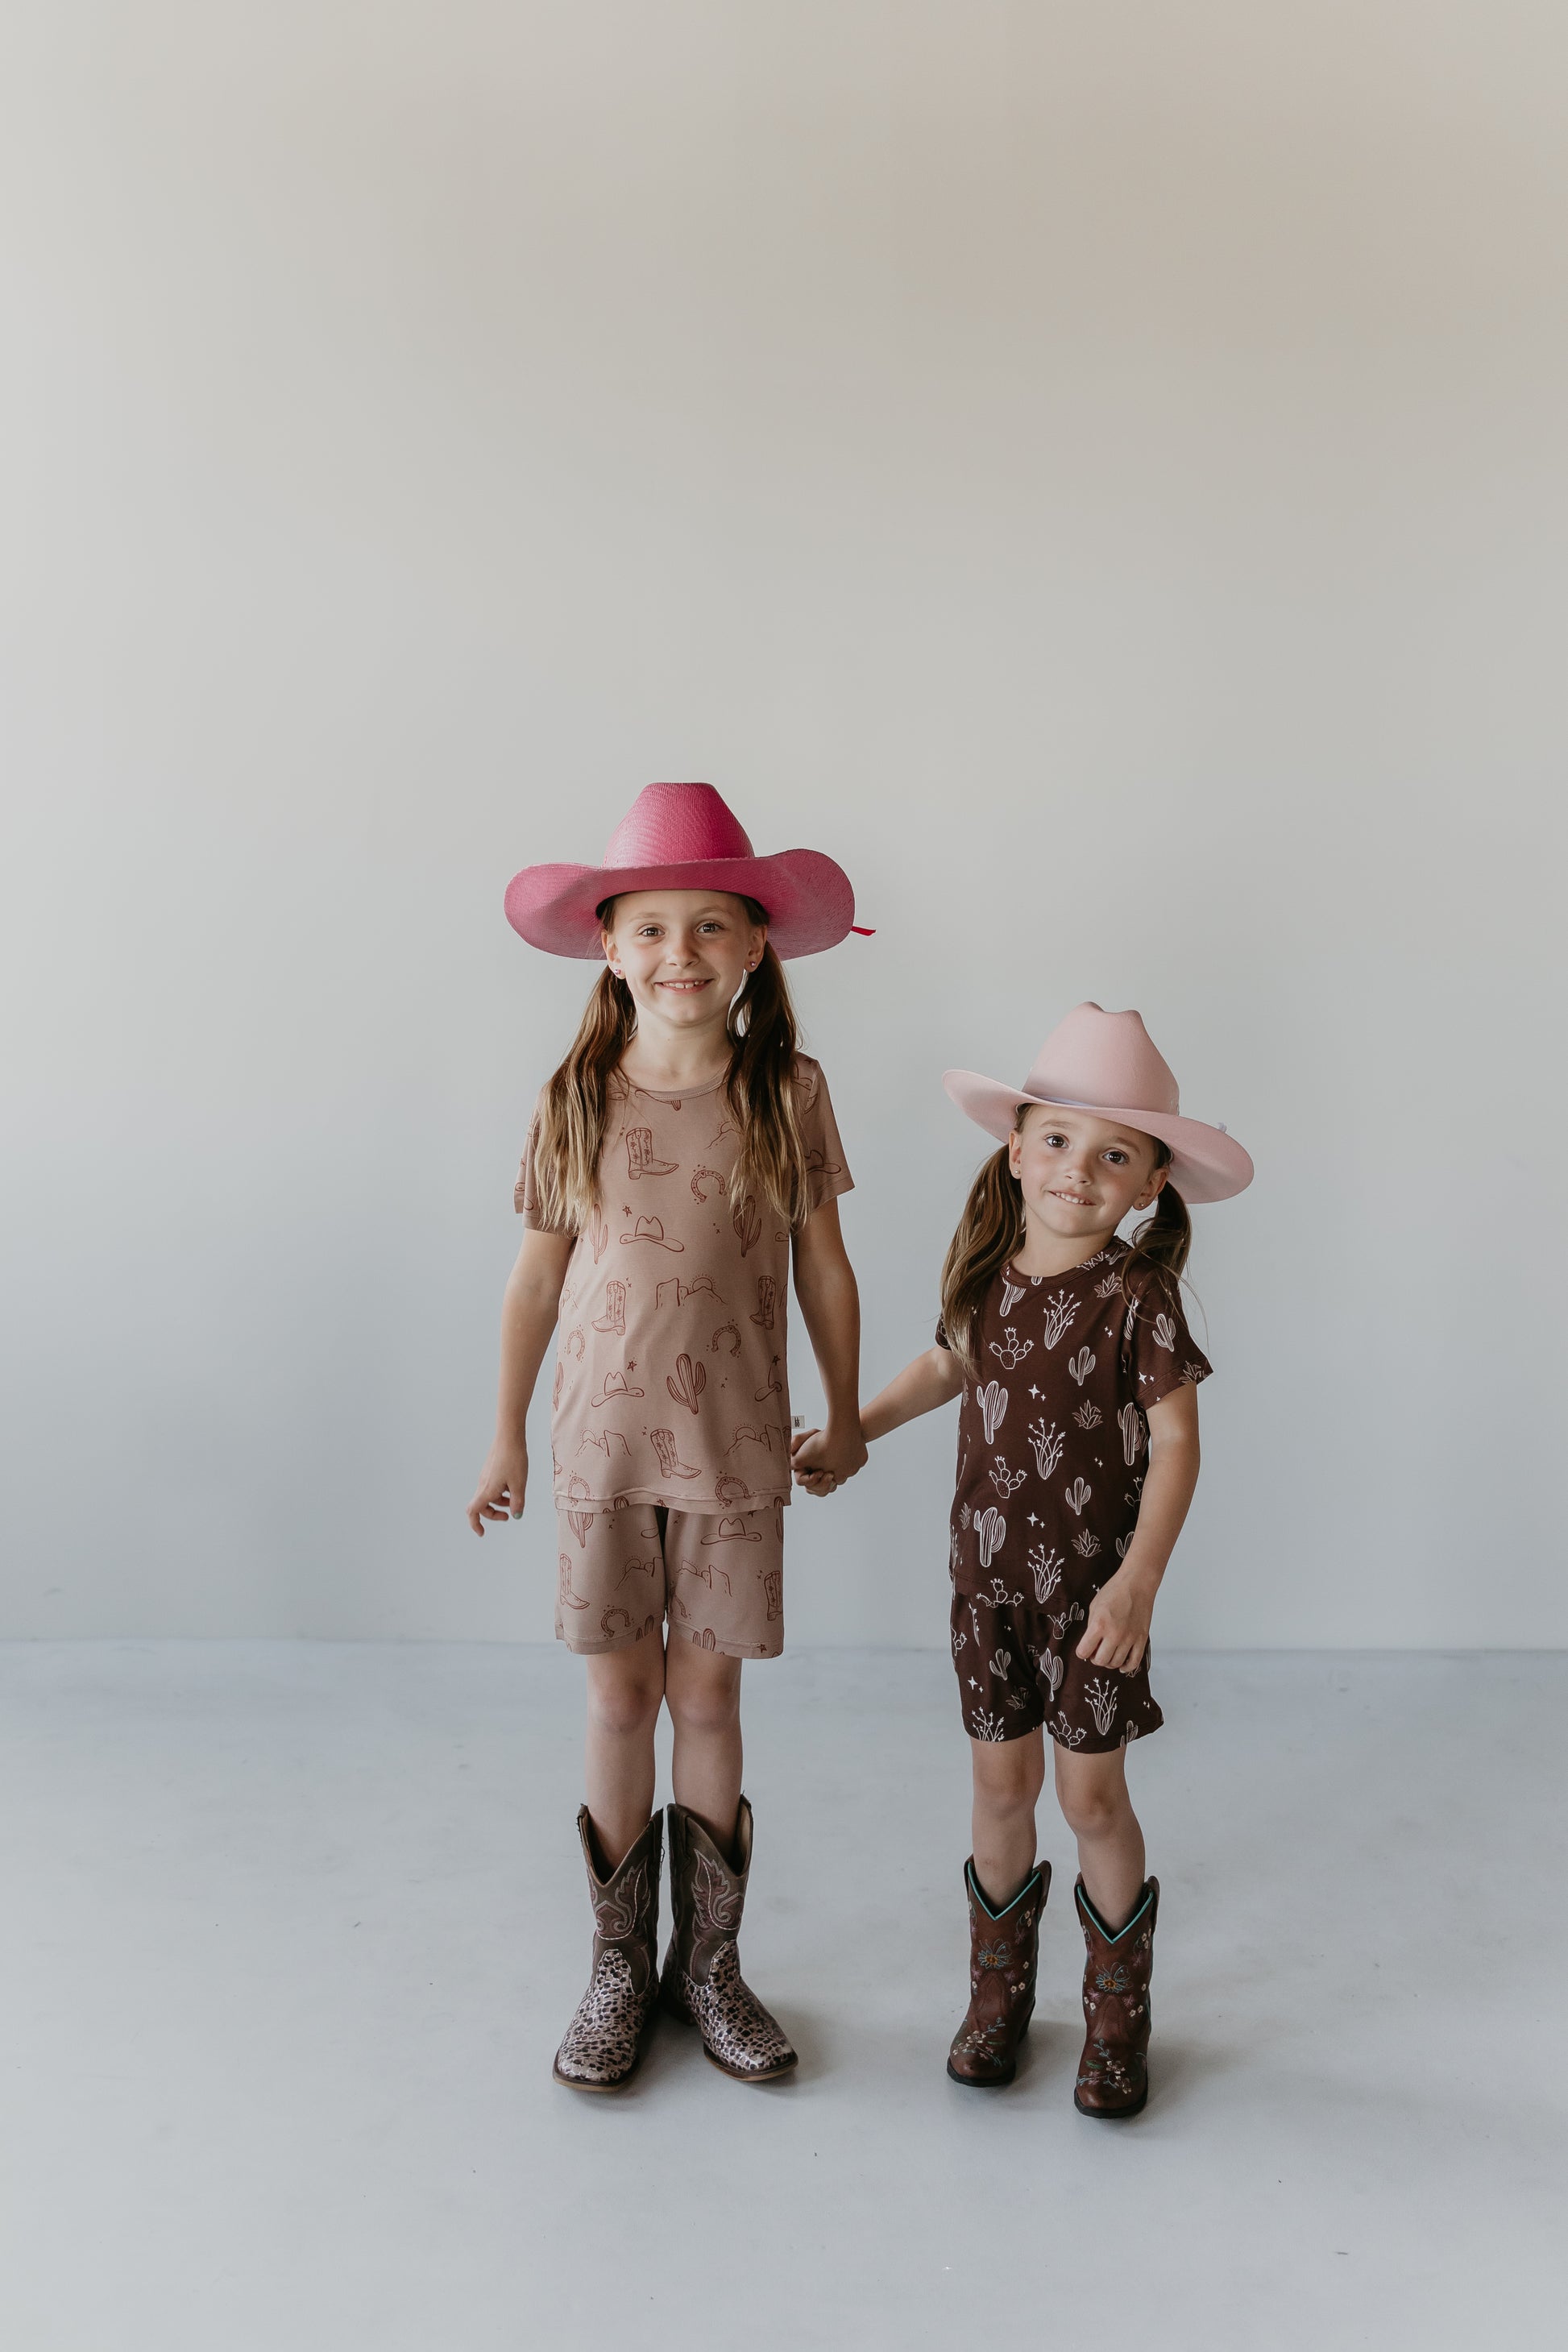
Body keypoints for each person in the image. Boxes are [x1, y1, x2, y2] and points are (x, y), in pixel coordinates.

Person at [469, 781, 867, 2090]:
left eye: (710, 927)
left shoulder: (786, 1091)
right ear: (607, 943)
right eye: (651, 927)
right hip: (597, 1449)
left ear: (753, 946)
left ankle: (710, 1966)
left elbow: (823, 1270)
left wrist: (848, 1408)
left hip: (738, 1446)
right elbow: (535, 1282)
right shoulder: (574, 1092)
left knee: (707, 1696)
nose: (679, 953)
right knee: (617, 1695)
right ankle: (613, 1970)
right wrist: (507, 1437)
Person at [841, 1003, 1251, 2116]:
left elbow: (1175, 1447)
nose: (1081, 1168)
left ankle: (1117, 2017)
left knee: (1092, 1799)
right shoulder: (986, 1280)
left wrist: (1135, 1583)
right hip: (985, 1592)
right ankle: (997, 1997)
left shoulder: (1135, 1299)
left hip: (1092, 1603)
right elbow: (942, 1369)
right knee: (998, 1782)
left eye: (1115, 1153)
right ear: (1016, 1150)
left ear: (1148, 1185)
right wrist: (853, 1431)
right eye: (1059, 1141)